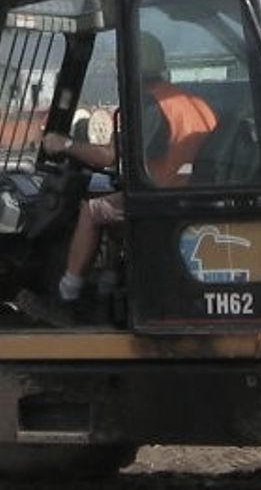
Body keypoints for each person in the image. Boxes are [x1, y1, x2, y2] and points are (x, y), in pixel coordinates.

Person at [35, 33, 217, 315]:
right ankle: (108, 284)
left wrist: (66, 144)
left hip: (158, 195)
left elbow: (110, 156)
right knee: (114, 208)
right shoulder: (191, 102)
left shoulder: (150, 106)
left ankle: (66, 294)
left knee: (92, 210)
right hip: (183, 189)